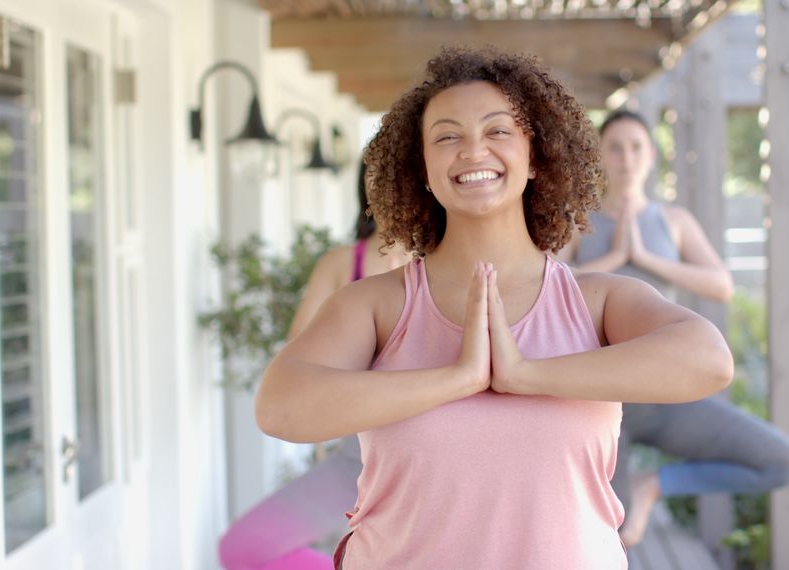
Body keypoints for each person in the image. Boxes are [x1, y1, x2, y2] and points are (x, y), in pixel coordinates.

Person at [254, 47, 733, 569]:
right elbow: (279, 407)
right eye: (446, 136)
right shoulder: (375, 304)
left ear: (536, 156)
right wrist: (458, 378)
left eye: (498, 131)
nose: (473, 150)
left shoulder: (599, 301)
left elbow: (709, 361)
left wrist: (524, 375)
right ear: (423, 170)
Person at [559, 109, 789, 548]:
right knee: (613, 538)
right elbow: (548, 288)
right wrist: (613, 260)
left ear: (651, 155)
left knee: (780, 460)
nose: (626, 158)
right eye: (615, 147)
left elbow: (721, 285)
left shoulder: (673, 220)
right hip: (600, 397)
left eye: (636, 147)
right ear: (599, 155)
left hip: (666, 394)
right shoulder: (579, 220)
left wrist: (648, 258)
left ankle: (655, 483)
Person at [218, 160, 408, 570]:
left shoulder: (450, 261)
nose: (393, 183)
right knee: (243, 548)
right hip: (354, 458)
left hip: (430, 464)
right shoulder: (343, 263)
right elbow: (297, 370)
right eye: (379, 172)